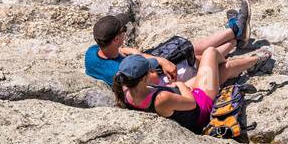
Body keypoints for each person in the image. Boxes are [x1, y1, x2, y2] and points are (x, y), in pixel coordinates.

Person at [83, 0, 254, 86]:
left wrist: (142, 55)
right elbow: (152, 80)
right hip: (163, 79)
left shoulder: (92, 53)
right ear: (116, 40)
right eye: (123, 31)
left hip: (147, 65)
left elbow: (125, 52)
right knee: (196, 59)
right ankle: (235, 37)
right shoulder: (122, 72)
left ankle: (235, 33)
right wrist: (157, 62)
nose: (125, 32)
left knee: (185, 47)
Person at [112, 46, 261, 133]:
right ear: (144, 78)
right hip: (200, 107)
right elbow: (192, 104)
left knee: (221, 70)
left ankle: (253, 61)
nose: (153, 71)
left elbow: (136, 66)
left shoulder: (126, 89)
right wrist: (180, 85)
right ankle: (255, 60)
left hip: (179, 102)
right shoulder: (161, 98)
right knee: (210, 53)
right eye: (150, 70)